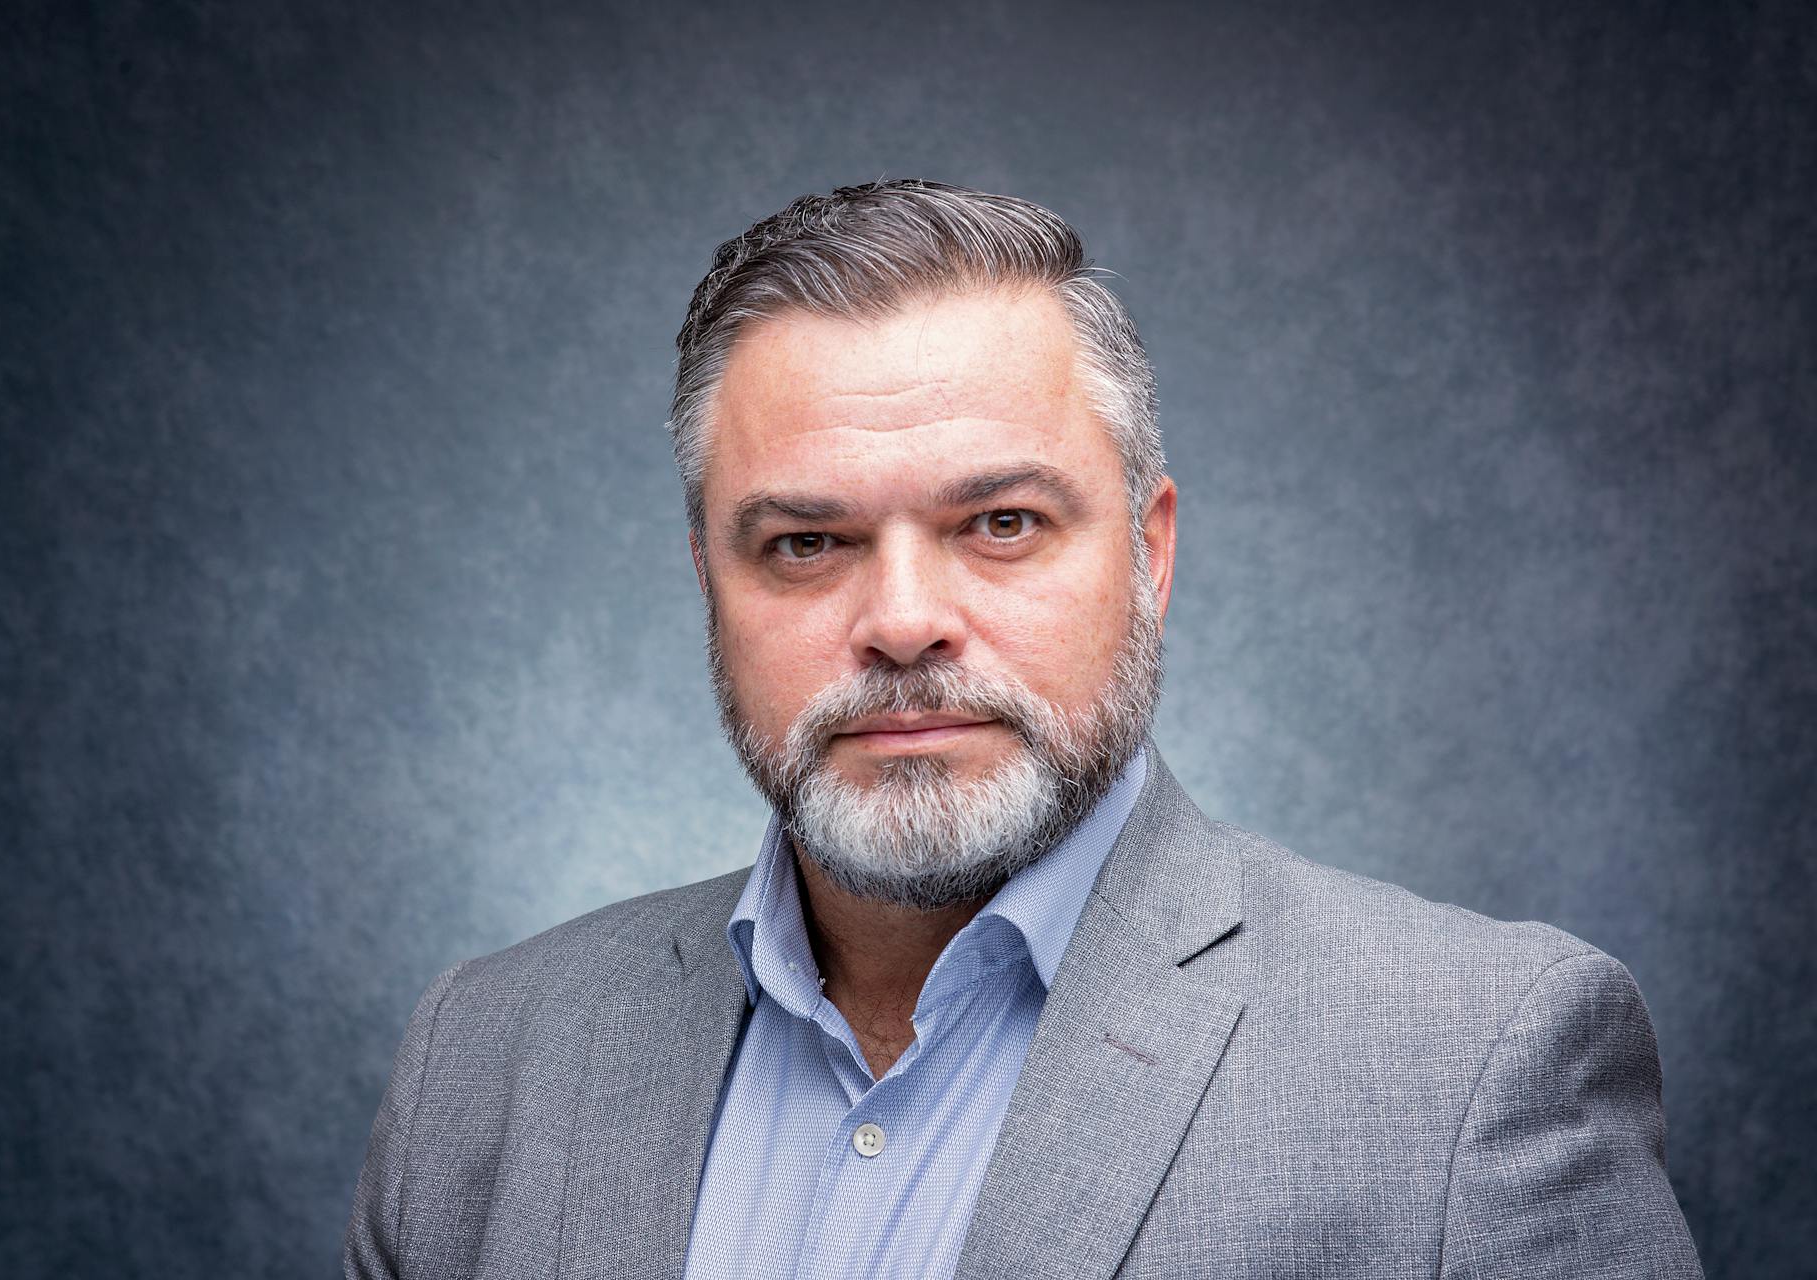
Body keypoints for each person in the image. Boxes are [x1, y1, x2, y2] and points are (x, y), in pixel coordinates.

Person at [343, 180, 1702, 1279]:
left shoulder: (1474, 1067)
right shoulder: (488, 1055)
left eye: (1001, 524)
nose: (904, 619)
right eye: (807, 541)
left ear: (1152, 555)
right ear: (712, 578)